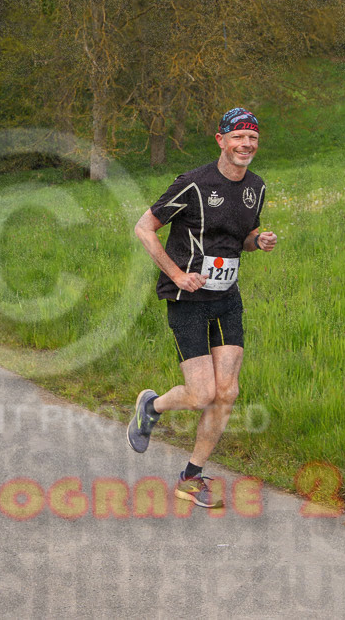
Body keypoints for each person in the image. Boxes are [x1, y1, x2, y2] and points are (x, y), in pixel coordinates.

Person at [128, 107, 278, 509]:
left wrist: (256, 241)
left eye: (252, 138)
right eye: (238, 138)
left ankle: (190, 477)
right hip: (188, 300)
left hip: (227, 299)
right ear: (221, 141)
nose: (246, 145)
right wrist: (177, 274)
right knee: (201, 394)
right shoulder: (193, 184)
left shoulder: (256, 187)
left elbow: (242, 236)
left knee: (227, 393)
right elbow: (144, 227)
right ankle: (152, 406)